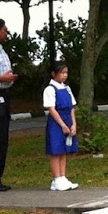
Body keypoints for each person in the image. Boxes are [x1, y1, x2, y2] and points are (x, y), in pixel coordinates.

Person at [0, 17, 18, 192]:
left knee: (3, 139)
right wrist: (2, 78)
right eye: (4, 29)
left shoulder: (1, 49)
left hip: (5, 94)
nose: (6, 32)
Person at [44, 61, 79, 191]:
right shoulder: (50, 89)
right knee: (56, 150)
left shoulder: (67, 88)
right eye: (62, 73)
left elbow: (71, 108)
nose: (64, 75)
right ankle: (56, 178)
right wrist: (62, 125)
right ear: (54, 74)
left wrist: (73, 123)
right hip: (56, 122)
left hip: (67, 120)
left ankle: (63, 176)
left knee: (64, 150)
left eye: (66, 73)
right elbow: (52, 109)